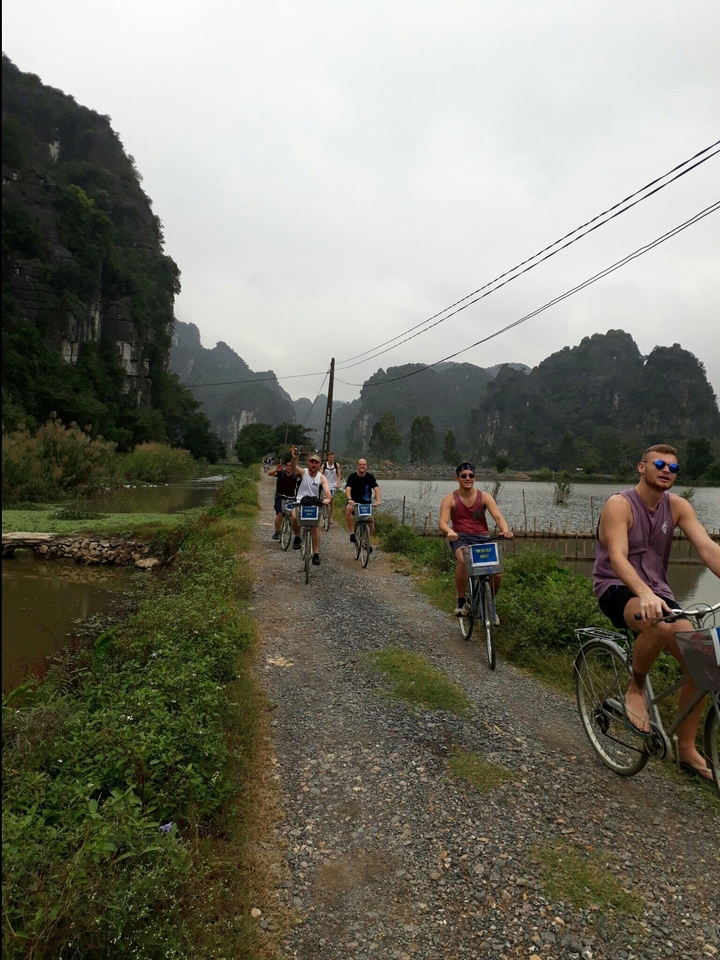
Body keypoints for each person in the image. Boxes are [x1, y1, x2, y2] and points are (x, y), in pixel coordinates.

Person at [593, 444, 720, 782]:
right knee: (658, 622)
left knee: (704, 662)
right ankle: (635, 688)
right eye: (660, 464)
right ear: (641, 467)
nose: (667, 471)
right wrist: (644, 592)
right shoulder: (619, 505)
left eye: (673, 468)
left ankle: (687, 751)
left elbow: (708, 548)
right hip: (616, 588)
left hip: (658, 594)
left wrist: (653, 593)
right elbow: (618, 557)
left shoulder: (677, 507)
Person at [438, 461, 514, 620]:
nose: (467, 478)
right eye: (463, 476)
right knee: (463, 562)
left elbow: (498, 516)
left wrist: (505, 530)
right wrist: (450, 531)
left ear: (475, 478)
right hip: (460, 538)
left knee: (497, 574)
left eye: (471, 475)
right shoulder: (449, 499)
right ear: (457, 478)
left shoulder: (485, 497)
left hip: (483, 538)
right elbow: (442, 522)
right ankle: (460, 601)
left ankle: (488, 602)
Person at [289, 447, 331, 565]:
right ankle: (297, 536)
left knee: (315, 526)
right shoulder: (303, 472)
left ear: (319, 465)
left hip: (314, 504)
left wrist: (327, 498)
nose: (313, 464)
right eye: (312, 462)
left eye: (316, 462)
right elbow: (293, 468)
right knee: (294, 516)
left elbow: (327, 490)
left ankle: (316, 553)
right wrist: (294, 458)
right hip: (299, 502)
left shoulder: (321, 477)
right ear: (308, 463)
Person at [345, 458, 381, 548]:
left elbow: (376, 489)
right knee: (348, 509)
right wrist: (349, 499)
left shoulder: (370, 477)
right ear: (357, 466)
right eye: (360, 464)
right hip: (355, 503)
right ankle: (352, 533)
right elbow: (348, 488)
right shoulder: (352, 477)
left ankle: (366, 540)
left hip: (366, 504)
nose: (362, 466)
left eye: (364, 464)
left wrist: (378, 500)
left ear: (366, 466)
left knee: (371, 522)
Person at [268, 456, 298, 541]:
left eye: (290, 465)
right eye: (287, 465)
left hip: (291, 498)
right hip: (280, 497)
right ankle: (277, 532)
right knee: (280, 513)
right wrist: (276, 470)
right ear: (285, 466)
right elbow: (269, 474)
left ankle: (297, 535)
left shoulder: (295, 476)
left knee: (294, 516)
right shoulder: (281, 473)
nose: (289, 467)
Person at [320, 452, 342, 524]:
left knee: (331, 501)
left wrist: (338, 483)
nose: (331, 459)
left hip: (333, 486)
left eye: (332, 457)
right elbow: (320, 474)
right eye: (330, 457)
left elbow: (338, 475)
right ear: (327, 458)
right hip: (324, 485)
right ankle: (322, 514)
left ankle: (331, 517)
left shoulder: (336, 465)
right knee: (323, 500)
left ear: (334, 458)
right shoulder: (324, 465)